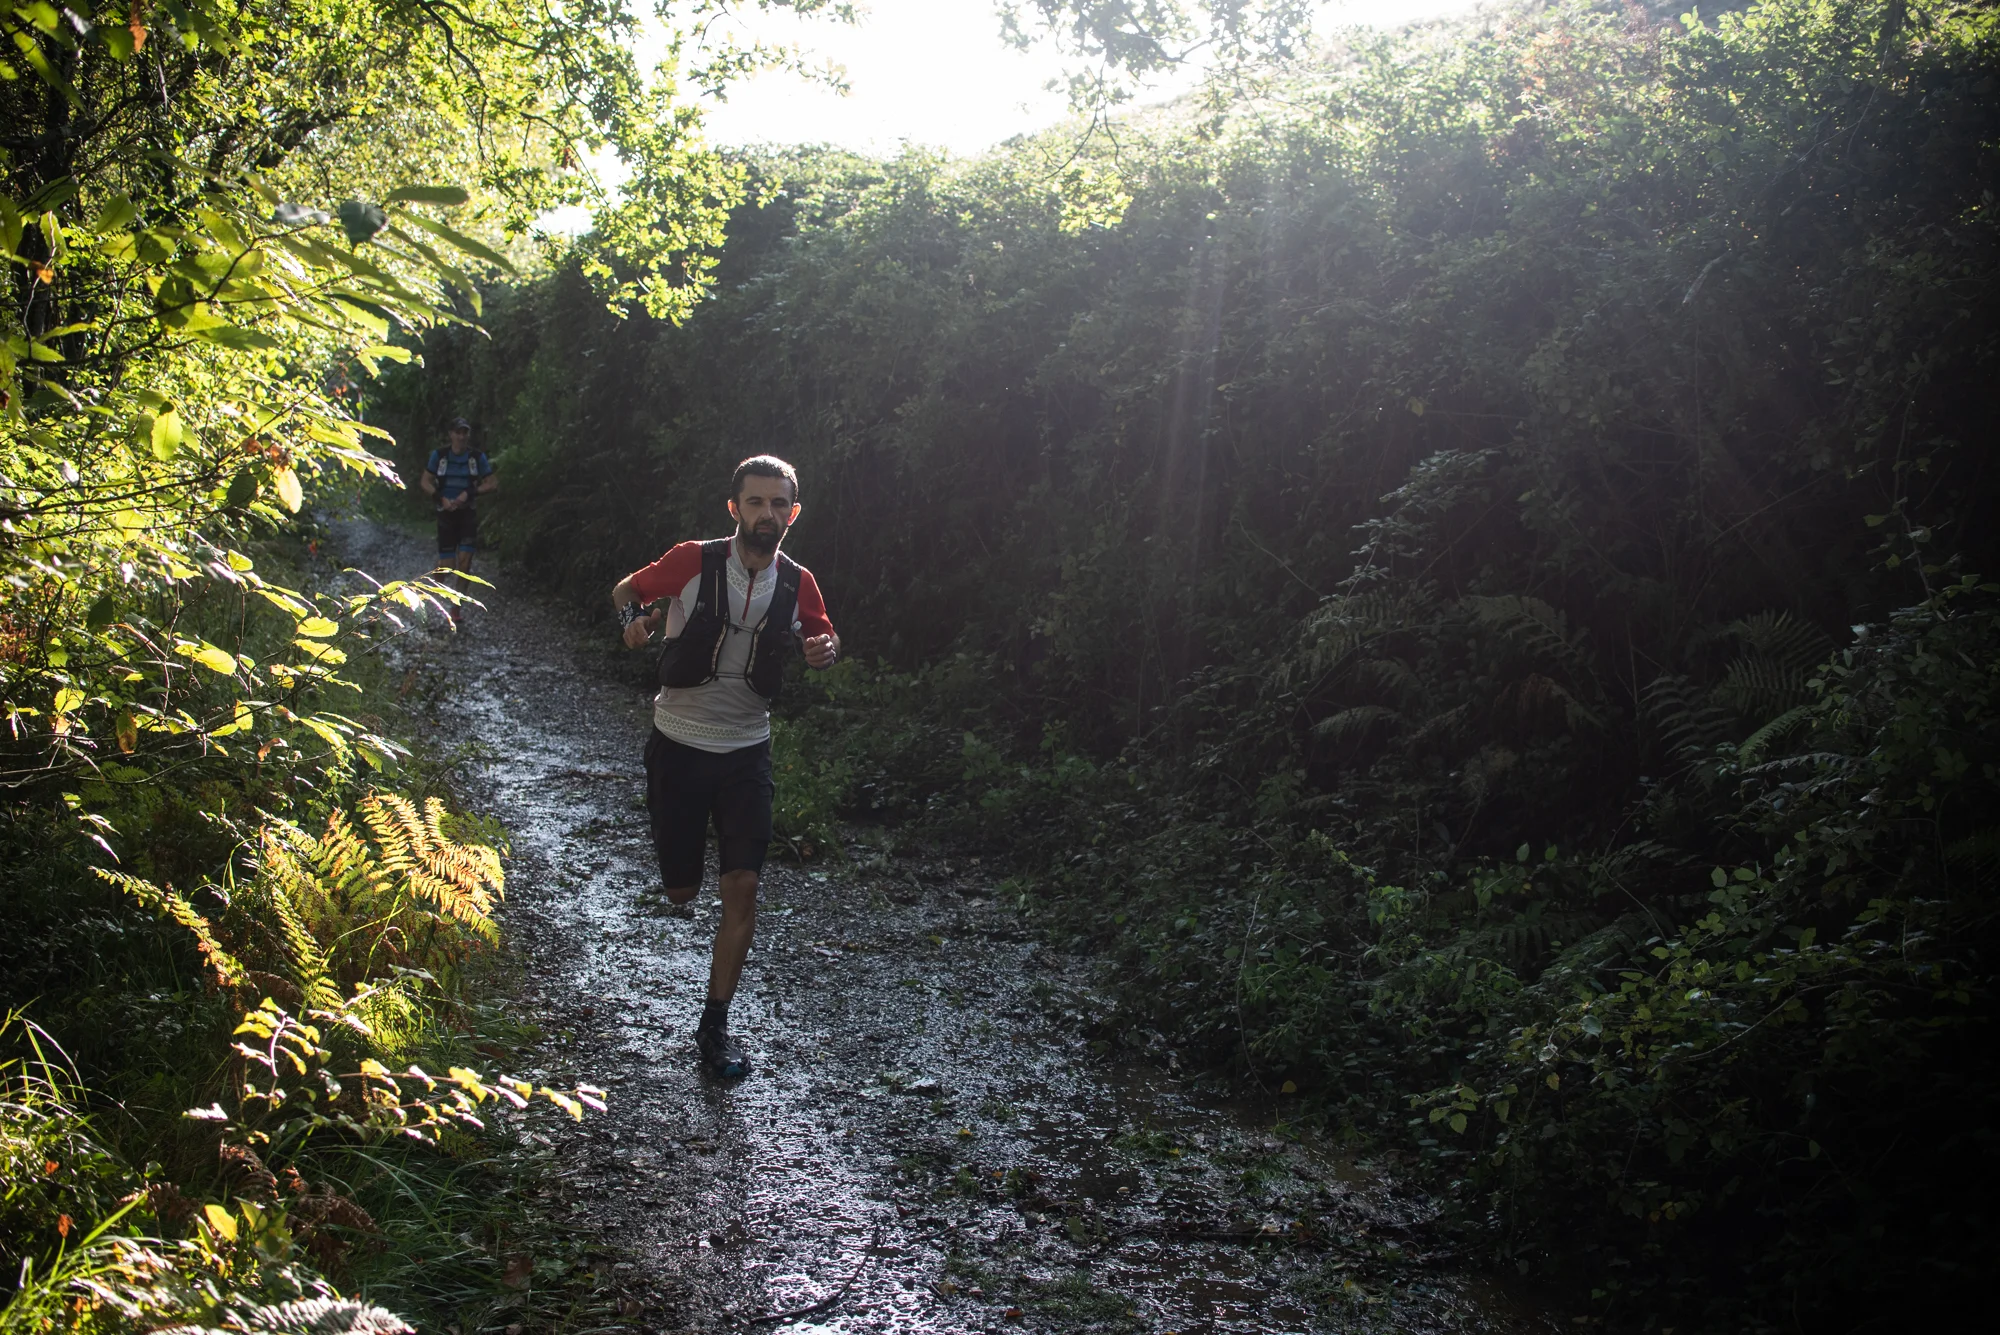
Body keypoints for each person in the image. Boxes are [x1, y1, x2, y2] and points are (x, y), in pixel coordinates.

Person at [610, 455, 840, 1079]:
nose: (767, 514)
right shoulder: (693, 560)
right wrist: (633, 623)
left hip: (746, 751)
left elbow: (824, 635)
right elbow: (627, 590)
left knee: (743, 886)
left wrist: (824, 649)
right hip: (678, 745)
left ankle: (715, 1026)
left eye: (778, 504)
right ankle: (680, 869)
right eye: (756, 502)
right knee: (682, 892)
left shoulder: (798, 582)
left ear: (793, 513)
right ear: (734, 508)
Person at [420, 416, 497, 625]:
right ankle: (433, 585)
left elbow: (492, 483)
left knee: (465, 562)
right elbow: (425, 481)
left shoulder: (476, 458)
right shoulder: (440, 456)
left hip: (467, 514)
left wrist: (469, 493)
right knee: (447, 566)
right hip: (446, 514)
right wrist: (440, 498)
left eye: (465, 433)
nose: (461, 437)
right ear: (451, 434)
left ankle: (456, 608)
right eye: (458, 432)